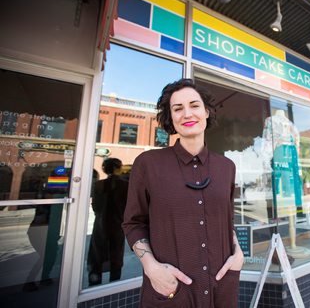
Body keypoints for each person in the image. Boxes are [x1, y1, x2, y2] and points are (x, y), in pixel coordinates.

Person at [122, 79, 244, 307]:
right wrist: (151, 267)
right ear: (171, 117)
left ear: (206, 112)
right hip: (171, 292)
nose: (187, 113)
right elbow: (133, 223)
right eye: (178, 108)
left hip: (222, 289)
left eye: (194, 105)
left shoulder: (227, 167)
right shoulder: (148, 163)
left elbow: (228, 219)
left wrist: (238, 253)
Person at [87, 158, 128, 286]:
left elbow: (95, 206)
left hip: (100, 225)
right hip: (117, 225)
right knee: (116, 256)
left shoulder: (98, 184)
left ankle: (94, 286)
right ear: (118, 168)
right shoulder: (126, 185)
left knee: (97, 255)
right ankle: (113, 286)